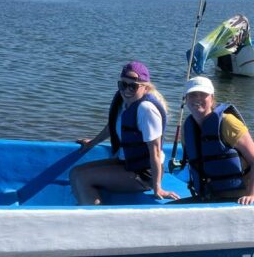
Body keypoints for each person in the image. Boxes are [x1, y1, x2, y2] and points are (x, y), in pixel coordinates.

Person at [70, 61, 181, 205]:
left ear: (145, 88)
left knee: (84, 178)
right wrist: (92, 143)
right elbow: (111, 127)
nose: (126, 90)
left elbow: (155, 153)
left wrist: (157, 188)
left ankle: (95, 222)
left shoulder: (146, 110)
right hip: (126, 163)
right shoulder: (124, 102)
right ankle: (84, 210)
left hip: (144, 174)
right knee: (75, 173)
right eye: (123, 84)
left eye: (133, 86)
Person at [180, 76, 254, 205]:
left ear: (212, 98)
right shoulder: (187, 129)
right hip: (212, 199)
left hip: (242, 199)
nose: (197, 99)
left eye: (203, 94)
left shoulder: (227, 122)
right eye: (192, 95)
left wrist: (253, 195)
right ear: (186, 99)